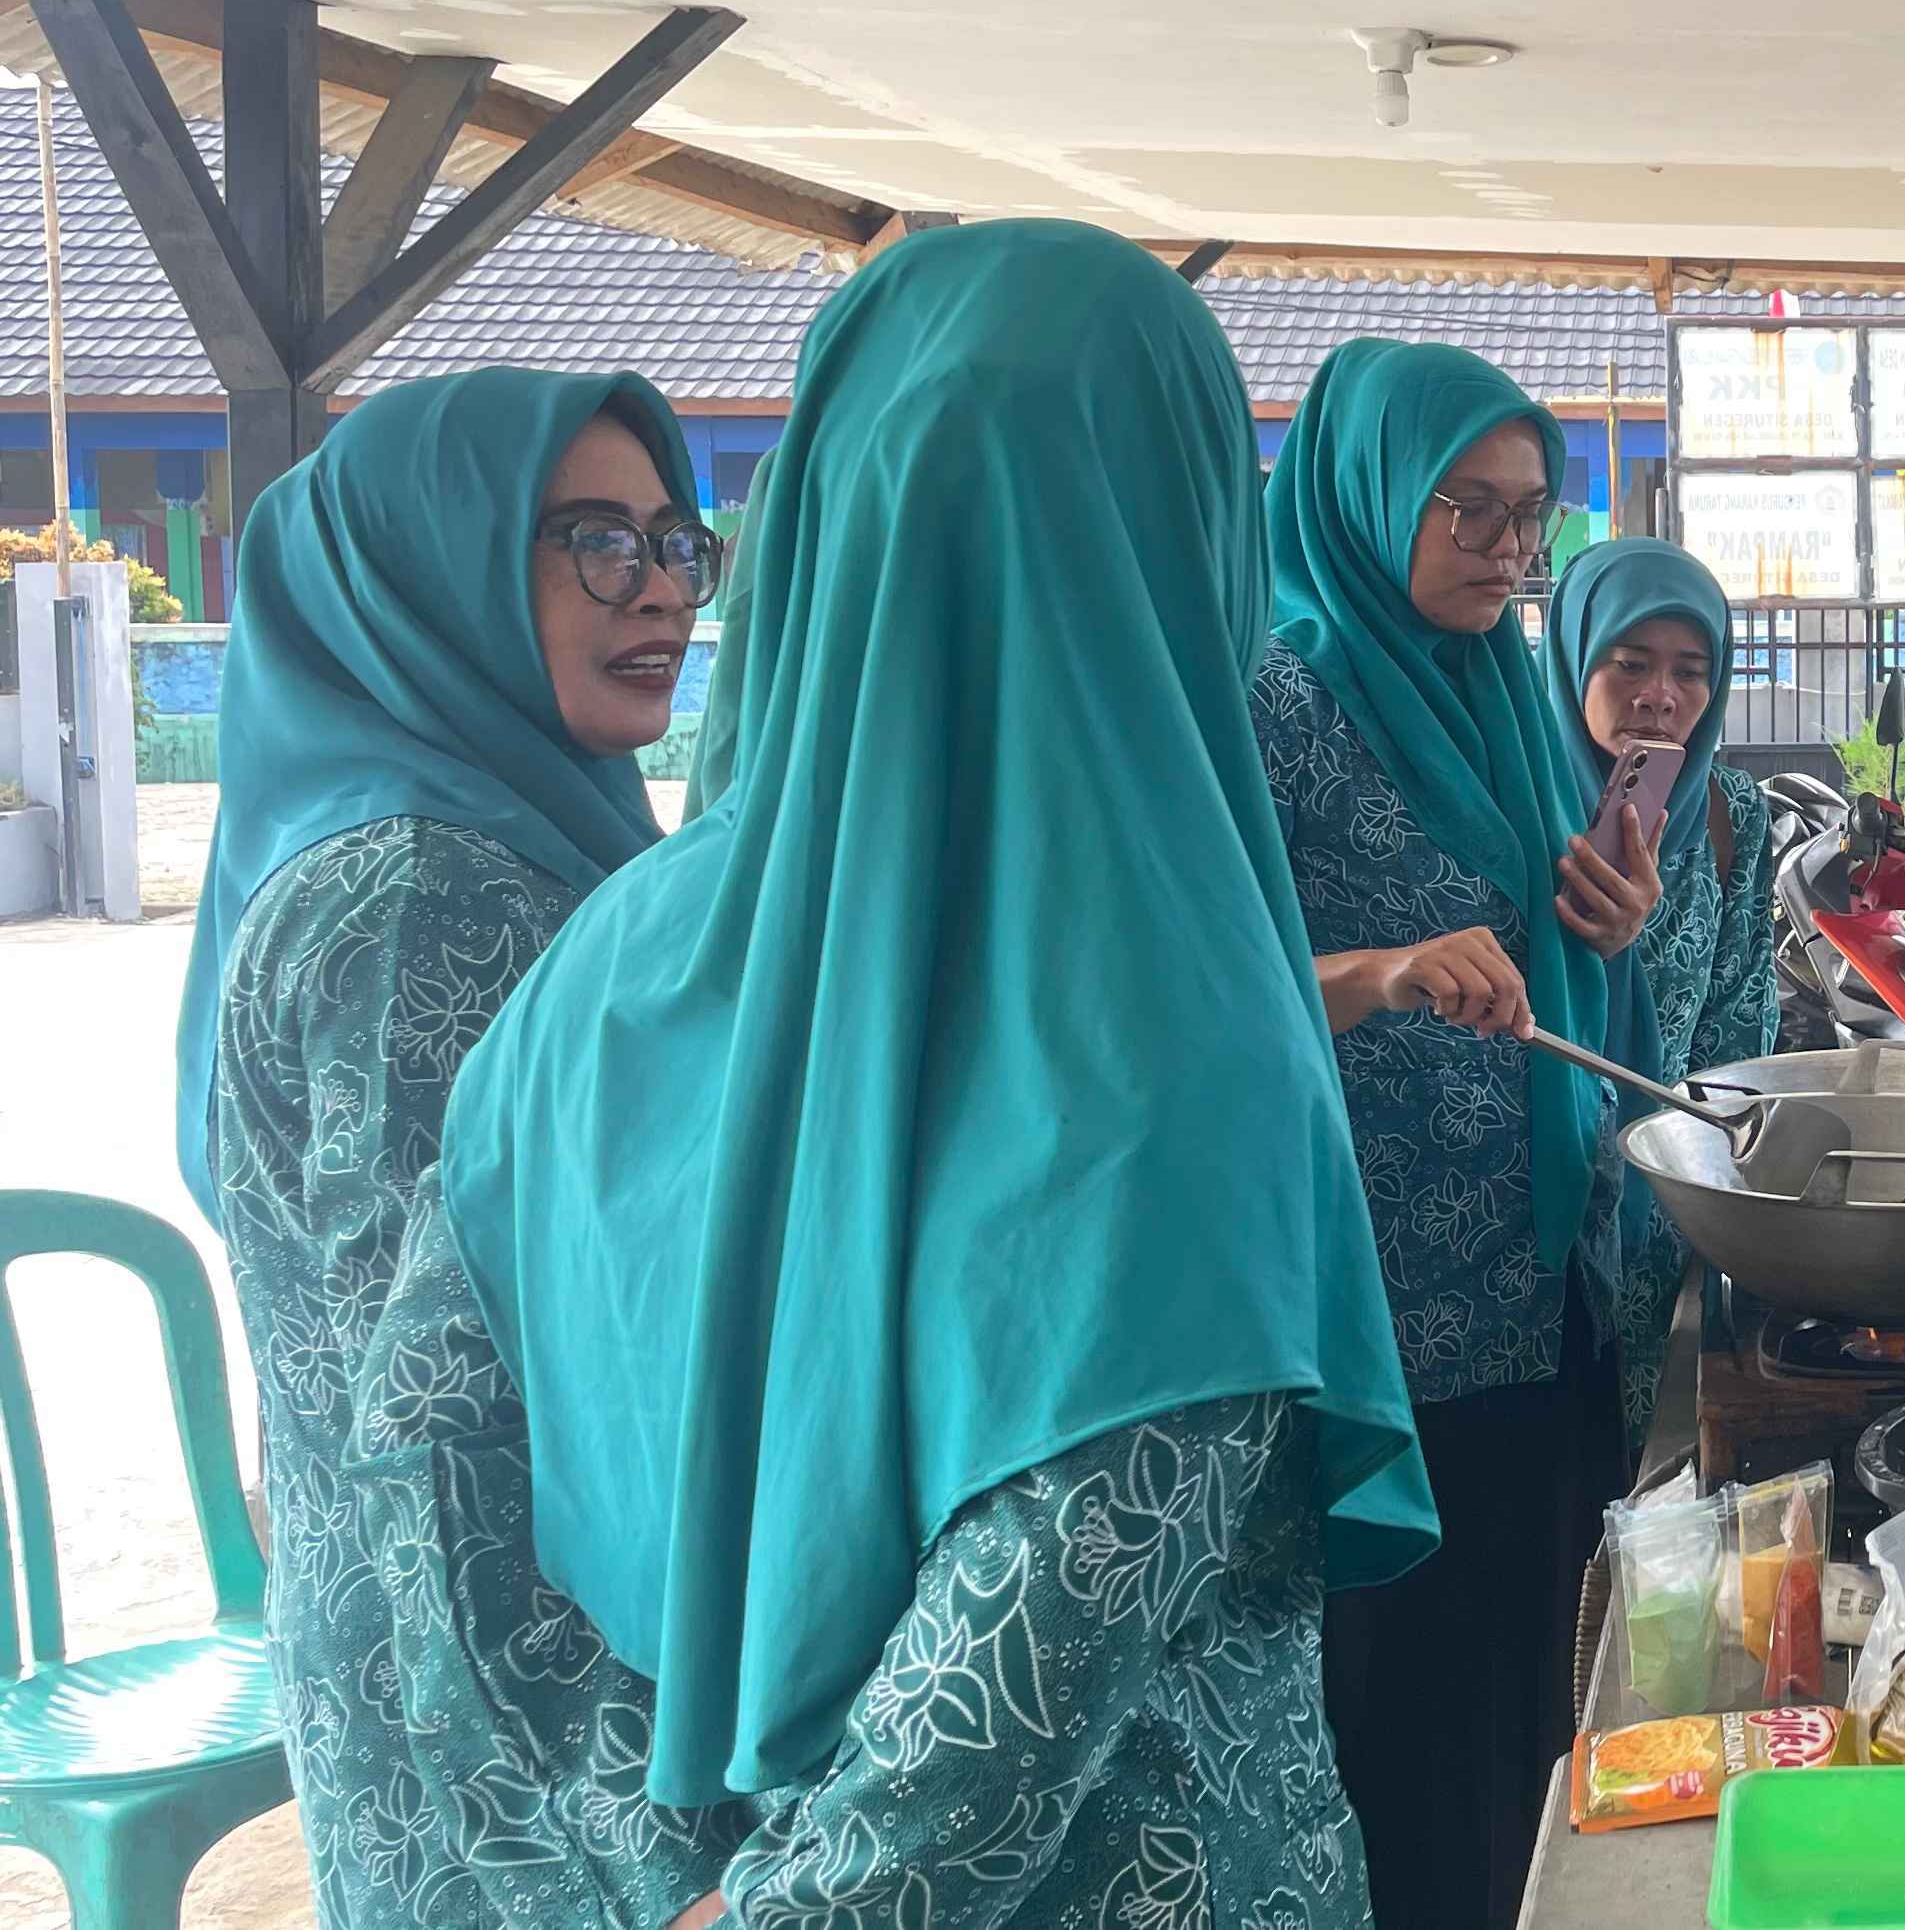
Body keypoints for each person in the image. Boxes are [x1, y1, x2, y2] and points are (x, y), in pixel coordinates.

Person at [433, 222, 1438, 1930]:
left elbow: (440, 1458)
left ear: (824, 515)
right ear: (1194, 532)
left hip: (666, 1855)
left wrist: (662, 1865)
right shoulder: (1182, 1026)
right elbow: (1046, 1627)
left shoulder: (625, 954)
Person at [177, 367, 747, 1930]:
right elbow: (436, 1415)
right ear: (430, 571)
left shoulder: (493, 838)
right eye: (593, 542)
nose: (660, 590)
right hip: (519, 1736)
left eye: (674, 541)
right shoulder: (425, 895)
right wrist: (660, 1850)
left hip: (451, 1675)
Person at [1252, 337, 1662, 1929]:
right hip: (1382, 1320)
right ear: (1366, 496)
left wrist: (1603, 929)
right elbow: (1194, 983)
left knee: (1529, 1699)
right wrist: (1382, 970)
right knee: (1405, 1725)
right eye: (1466, 509)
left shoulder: (1502, 686)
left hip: (1540, 1286)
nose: (1505, 550)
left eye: (1529, 514)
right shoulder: (1277, 699)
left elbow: (1537, 940)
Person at [1543, 534, 1782, 1438]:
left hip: (1664, 1193)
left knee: (1652, 1450)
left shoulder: (1729, 814)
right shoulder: (1519, 794)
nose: (1660, 694)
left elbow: (1739, 1016)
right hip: (1531, 1200)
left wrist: (1712, 1182)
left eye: (1690, 670)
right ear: (1575, 656)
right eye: (1630, 662)